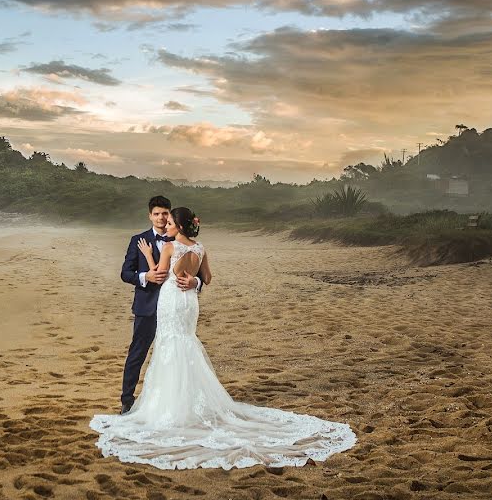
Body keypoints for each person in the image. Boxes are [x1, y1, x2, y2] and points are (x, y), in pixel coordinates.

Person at [91, 206, 356, 470]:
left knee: (170, 345)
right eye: (163, 218)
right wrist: (194, 282)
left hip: (172, 301)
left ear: (180, 226)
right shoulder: (200, 248)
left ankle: (172, 406)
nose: (166, 224)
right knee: (185, 343)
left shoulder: (170, 247)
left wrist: (149, 256)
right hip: (189, 304)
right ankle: (176, 401)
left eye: (170, 221)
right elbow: (206, 277)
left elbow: (162, 277)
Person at [118, 196, 202, 415]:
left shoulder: (182, 240)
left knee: (177, 352)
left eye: (165, 213)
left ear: (170, 215)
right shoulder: (138, 240)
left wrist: (196, 282)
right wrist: (146, 276)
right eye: (156, 214)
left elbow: (199, 274)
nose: (161, 218)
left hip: (175, 307)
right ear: (150, 216)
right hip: (147, 306)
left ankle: (178, 402)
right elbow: (126, 273)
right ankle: (127, 400)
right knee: (138, 353)